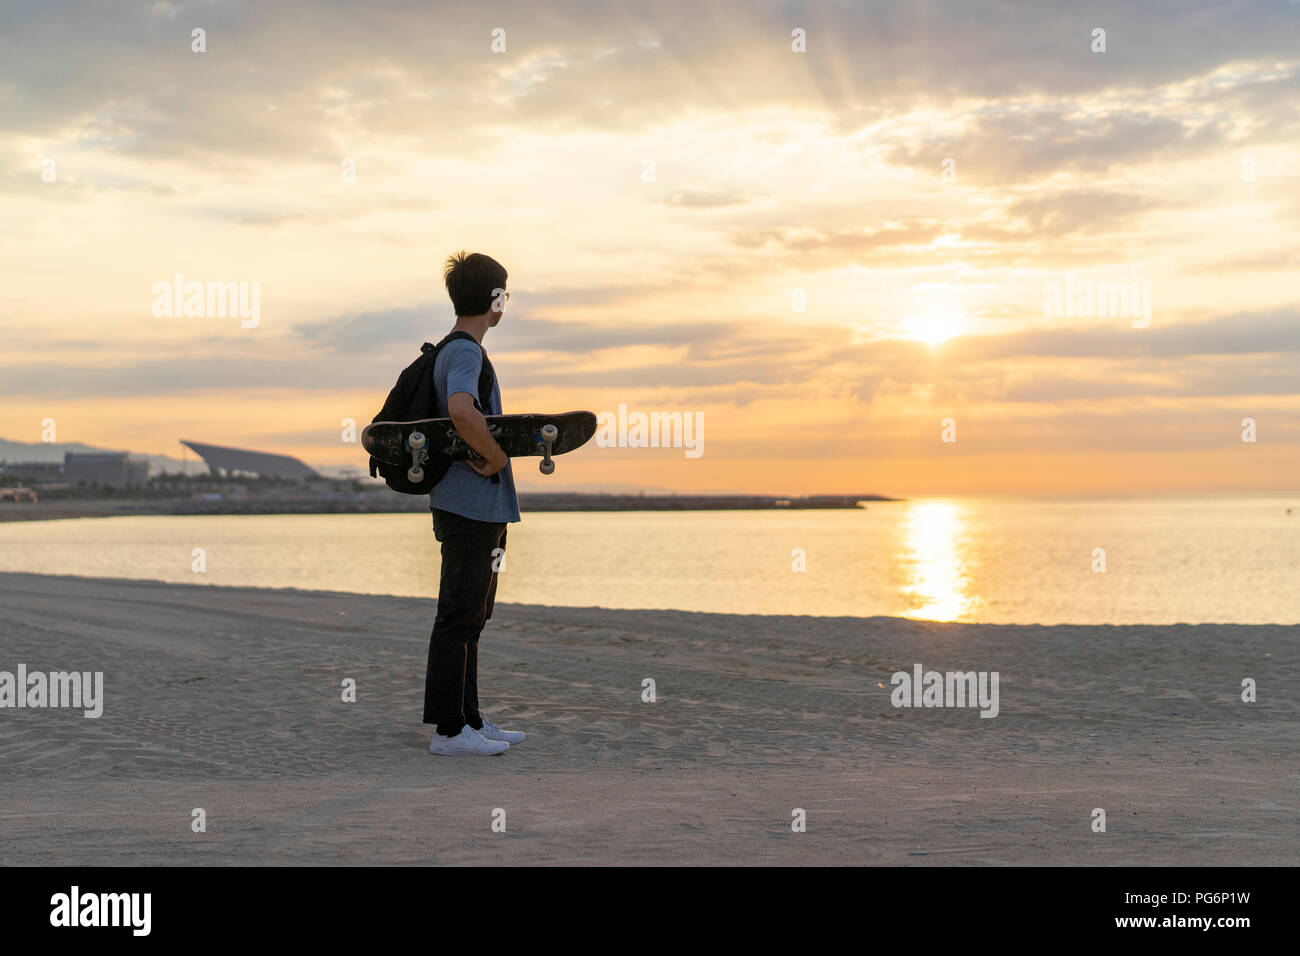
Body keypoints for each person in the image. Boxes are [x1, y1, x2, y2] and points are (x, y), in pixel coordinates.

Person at [423, 251, 524, 756]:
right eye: (505, 293)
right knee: (459, 617)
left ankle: (469, 719)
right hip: (469, 508)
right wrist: (498, 457)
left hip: (478, 509)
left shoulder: (461, 350)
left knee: (473, 617)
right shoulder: (465, 353)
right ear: (495, 300)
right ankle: (448, 732)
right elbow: (463, 411)